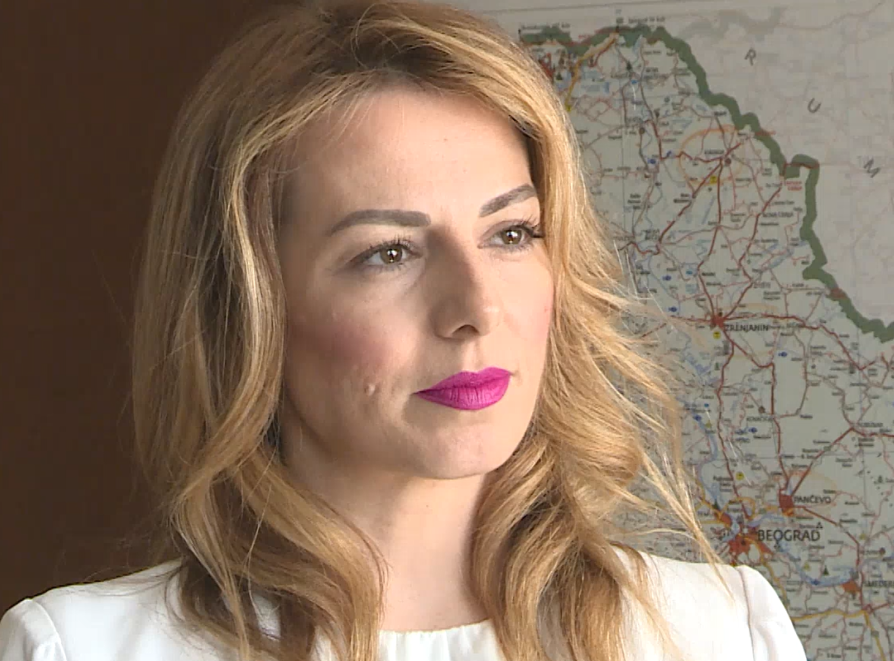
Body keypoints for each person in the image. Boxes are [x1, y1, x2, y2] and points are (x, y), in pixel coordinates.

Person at [0, 1, 808, 659]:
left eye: (511, 234)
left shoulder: (716, 632)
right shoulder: (82, 647)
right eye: (389, 252)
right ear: (249, 302)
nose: (476, 308)